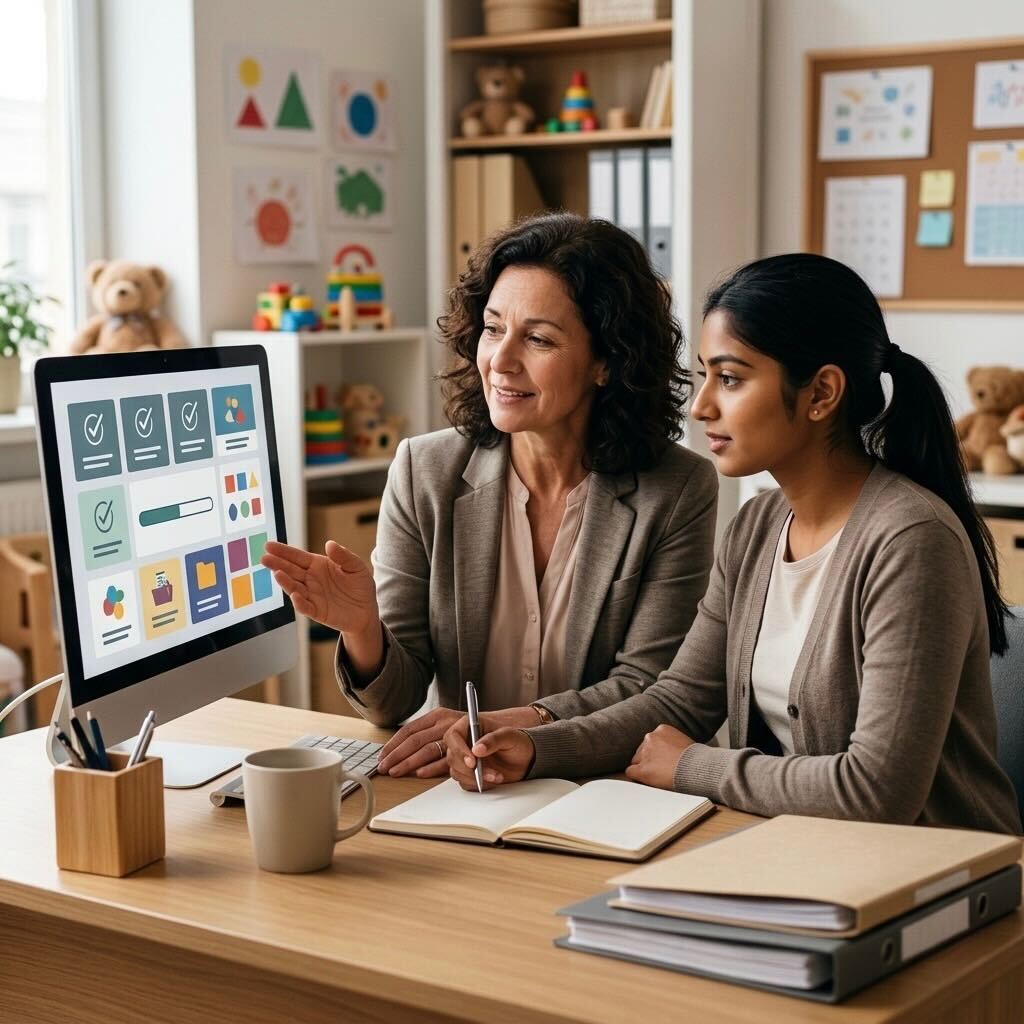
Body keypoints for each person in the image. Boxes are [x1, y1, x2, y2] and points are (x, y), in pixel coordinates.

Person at [447, 253, 1022, 834]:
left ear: (821, 393)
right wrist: (539, 747)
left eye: (730, 378)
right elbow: (680, 700)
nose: (701, 407)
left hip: (939, 875)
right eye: (703, 376)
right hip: (800, 855)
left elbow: (876, 790)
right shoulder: (757, 527)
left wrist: (692, 765)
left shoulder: (910, 540)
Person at [262, 213, 718, 779]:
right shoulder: (424, 470)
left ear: (606, 362)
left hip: (605, 786)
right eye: (493, 327)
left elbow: (648, 689)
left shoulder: (676, 490)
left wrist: (515, 726)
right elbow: (393, 703)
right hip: (464, 785)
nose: (500, 360)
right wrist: (362, 628)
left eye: (539, 339)